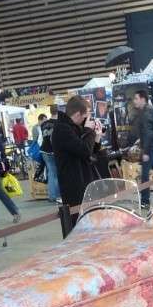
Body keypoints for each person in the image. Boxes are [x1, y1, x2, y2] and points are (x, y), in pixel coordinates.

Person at [51, 96, 101, 225]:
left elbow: (89, 155)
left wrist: (97, 139)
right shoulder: (62, 129)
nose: (88, 120)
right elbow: (84, 150)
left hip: (84, 182)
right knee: (78, 223)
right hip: (73, 186)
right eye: (87, 116)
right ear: (79, 114)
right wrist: (89, 131)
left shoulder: (74, 128)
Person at [130, 89, 153, 207]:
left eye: (136, 98)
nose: (134, 101)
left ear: (142, 99)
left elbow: (148, 133)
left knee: (144, 176)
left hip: (150, 149)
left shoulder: (146, 113)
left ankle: (145, 201)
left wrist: (145, 151)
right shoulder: (151, 110)